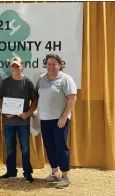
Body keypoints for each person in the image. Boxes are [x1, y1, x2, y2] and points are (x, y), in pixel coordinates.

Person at [35, 53, 77, 188]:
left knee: (60, 147)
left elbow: (72, 99)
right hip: (45, 119)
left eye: (54, 64)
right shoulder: (41, 79)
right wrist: (35, 111)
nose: (51, 66)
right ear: (45, 65)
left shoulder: (66, 79)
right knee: (49, 146)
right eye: (48, 64)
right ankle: (55, 173)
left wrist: (64, 117)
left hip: (60, 120)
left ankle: (65, 176)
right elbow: (37, 97)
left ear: (59, 65)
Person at [0, 56, 36, 183]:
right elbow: (0, 99)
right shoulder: (5, 82)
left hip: (23, 122)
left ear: (22, 66)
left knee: (25, 148)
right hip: (8, 122)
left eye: (17, 65)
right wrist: (3, 111)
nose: (14, 68)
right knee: (10, 148)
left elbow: (35, 100)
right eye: (12, 65)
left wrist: (28, 113)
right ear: (10, 67)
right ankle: (11, 172)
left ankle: (27, 173)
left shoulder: (28, 82)